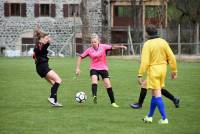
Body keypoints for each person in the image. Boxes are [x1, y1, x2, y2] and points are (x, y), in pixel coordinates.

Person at [137, 24, 177, 124]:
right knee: (154, 94)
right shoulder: (163, 42)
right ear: (157, 31)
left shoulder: (147, 44)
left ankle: (164, 119)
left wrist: (140, 74)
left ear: (147, 33)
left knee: (157, 94)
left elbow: (145, 61)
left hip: (153, 71)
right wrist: (174, 70)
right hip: (163, 70)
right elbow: (172, 57)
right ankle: (149, 117)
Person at [75, 33, 127, 108]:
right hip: (94, 68)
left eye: (95, 42)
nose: (93, 43)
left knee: (108, 84)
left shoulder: (103, 47)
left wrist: (121, 46)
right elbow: (80, 57)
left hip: (103, 68)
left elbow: (112, 47)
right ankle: (94, 96)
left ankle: (113, 102)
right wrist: (77, 68)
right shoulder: (89, 50)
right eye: (92, 42)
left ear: (98, 41)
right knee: (94, 80)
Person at [33, 27, 62, 107]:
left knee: (54, 83)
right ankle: (51, 97)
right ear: (41, 38)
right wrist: (48, 42)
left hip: (40, 68)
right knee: (58, 80)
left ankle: (54, 102)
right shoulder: (40, 45)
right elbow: (41, 49)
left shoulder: (38, 45)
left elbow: (38, 53)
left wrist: (47, 39)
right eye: (46, 38)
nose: (47, 39)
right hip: (43, 67)